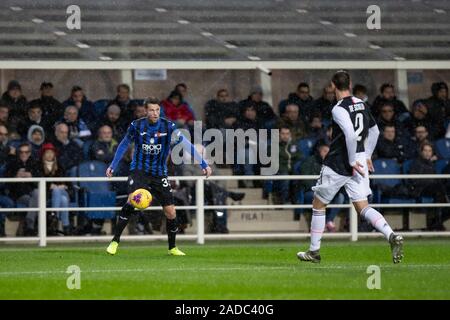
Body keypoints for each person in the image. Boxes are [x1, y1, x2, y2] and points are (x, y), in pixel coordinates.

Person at [297, 70, 403, 264]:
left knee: (318, 205)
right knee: (362, 206)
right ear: (351, 84)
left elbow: (350, 135)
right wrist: (366, 155)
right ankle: (391, 235)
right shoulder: (361, 103)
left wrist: (352, 159)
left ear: (332, 86)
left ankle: (314, 251)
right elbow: (375, 131)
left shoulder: (338, 108)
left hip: (339, 162)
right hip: (361, 160)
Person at [105, 97, 212, 256]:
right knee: (132, 200)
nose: (155, 113)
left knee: (171, 212)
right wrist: (113, 165)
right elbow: (123, 144)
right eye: (151, 110)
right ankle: (115, 241)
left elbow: (185, 143)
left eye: (157, 110)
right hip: (139, 170)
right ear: (145, 111)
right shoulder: (137, 126)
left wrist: (203, 164)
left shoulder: (168, 126)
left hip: (159, 173)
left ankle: (172, 247)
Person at [409, 143, 449, 230]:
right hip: (420, 189)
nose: (427, 153)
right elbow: (414, 180)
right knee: (439, 188)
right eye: (425, 151)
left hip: (434, 190)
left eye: (429, 151)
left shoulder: (431, 164)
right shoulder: (416, 163)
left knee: (440, 189)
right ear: (421, 152)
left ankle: (437, 222)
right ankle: (438, 221)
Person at [38, 143, 73, 235]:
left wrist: (63, 186)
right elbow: (38, 182)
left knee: (59, 191)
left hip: (62, 191)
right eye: (47, 152)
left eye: (51, 152)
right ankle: (66, 226)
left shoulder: (60, 166)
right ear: (43, 154)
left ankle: (54, 216)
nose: (49, 155)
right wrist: (50, 186)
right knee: (64, 200)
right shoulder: (39, 166)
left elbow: (67, 182)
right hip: (48, 194)